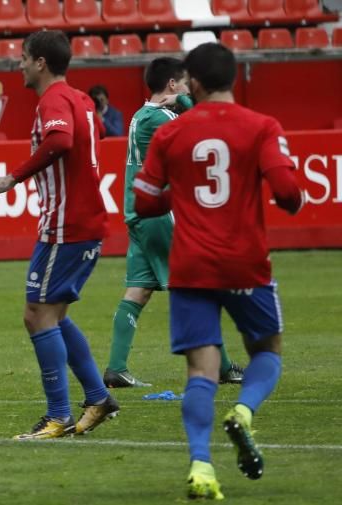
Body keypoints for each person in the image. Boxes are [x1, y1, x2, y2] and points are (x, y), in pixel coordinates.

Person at [133, 43, 304, 500]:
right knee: (268, 349)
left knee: (201, 371)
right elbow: (288, 193)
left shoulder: (173, 132)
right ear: (232, 79)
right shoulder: (262, 127)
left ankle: (202, 466)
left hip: (190, 265)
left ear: (195, 82)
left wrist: (182, 193)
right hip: (245, 261)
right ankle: (245, 411)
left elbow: (144, 201)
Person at [0, 30, 119, 440]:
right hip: (80, 221)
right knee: (53, 315)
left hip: (67, 225)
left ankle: (58, 414)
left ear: (40, 62)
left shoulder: (53, 100)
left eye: (23, 57)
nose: (18, 64)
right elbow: (92, 138)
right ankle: (97, 396)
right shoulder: (80, 99)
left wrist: (13, 178)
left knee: (36, 314)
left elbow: (61, 139)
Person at [104, 57, 244, 388]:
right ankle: (223, 367)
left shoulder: (141, 115)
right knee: (199, 288)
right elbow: (206, 124)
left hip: (138, 214)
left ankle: (116, 368)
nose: (188, 88)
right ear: (171, 84)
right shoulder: (161, 117)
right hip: (159, 216)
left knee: (138, 290)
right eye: (184, 83)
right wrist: (182, 102)